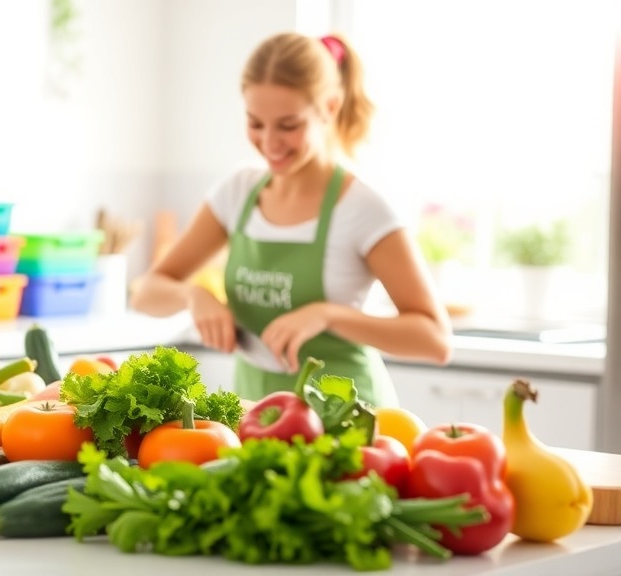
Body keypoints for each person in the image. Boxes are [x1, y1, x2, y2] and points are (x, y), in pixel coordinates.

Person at [129, 31, 451, 406]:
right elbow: (146, 293)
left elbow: (435, 340)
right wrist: (193, 296)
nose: (269, 143)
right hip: (255, 414)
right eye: (255, 123)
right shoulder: (238, 193)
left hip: (348, 423)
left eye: (288, 125)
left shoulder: (361, 207)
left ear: (329, 108)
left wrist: (328, 316)